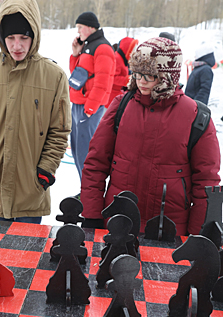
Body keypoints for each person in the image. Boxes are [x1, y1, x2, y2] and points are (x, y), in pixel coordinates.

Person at [80, 37, 221, 236]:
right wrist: (91, 215)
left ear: (168, 76)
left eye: (150, 75)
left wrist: (199, 235)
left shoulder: (197, 117)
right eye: (137, 74)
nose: (141, 82)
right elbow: (96, 163)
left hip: (170, 231)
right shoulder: (121, 106)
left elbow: (206, 182)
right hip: (118, 227)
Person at [0, 0, 71, 224]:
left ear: (35, 35)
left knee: (25, 256)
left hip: (31, 191)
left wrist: (45, 172)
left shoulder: (54, 76)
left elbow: (59, 130)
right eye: (10, 38)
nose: (17, 46)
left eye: (23, 37)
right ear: (1, 37)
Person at [69, 11, 115, 197]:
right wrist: (75, 54)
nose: (78, 31)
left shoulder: (103, 48)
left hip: (89, 108)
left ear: (90, 27)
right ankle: (85, 189)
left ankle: (92, 193)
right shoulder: (88, 46)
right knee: (77, 152)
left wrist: (90, 108)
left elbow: (104, 82)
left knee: (86, 153)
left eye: (80, 27)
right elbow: (78, 75)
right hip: (78, 105)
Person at [106, 37, 138, 107]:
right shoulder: (117, 59)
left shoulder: (123, 59)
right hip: (112, 96)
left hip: (117, 94)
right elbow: (112, 78)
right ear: (127, 48)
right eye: (133, 49)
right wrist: (127, 80)